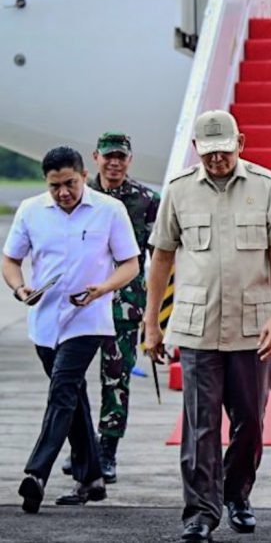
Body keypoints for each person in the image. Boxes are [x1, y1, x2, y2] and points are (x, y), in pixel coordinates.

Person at [142, 110, 271, 542]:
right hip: (197, 327)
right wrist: (152, 324)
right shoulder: (179, 191)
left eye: (224, 152)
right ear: (196, 150)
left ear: (240, 143)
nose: (216, 160)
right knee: (200, 425)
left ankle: (236, 494)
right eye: (208, 154)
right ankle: (201, 514)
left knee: (250, 421)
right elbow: (162, 259)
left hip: (253, 328)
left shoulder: (265, 187)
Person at [3, 146, 140, 513]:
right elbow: (11, 258)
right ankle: (92, 476)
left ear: (83, 175)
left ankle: (37, 474)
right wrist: (19, 288)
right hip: (45, 321)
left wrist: (104, 288)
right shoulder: (31, 211)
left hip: (89, 317)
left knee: (62, 389)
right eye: (55, 186)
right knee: (73, 397)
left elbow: (130, 264)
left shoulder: (110, 210)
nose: (63, 192)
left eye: (70, 183)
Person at [76, 132, 159, 484]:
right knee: (71, 377)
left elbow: (160, 253)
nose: (114, 163)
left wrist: (159, 311)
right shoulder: (79, 195)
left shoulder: (145, 200)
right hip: (82, 300)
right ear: (96, 157)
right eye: (108, 156)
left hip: (125, 304)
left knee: (116, 376)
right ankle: (80, 446)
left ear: (129, 159)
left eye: (120, 157)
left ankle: (107, 450)